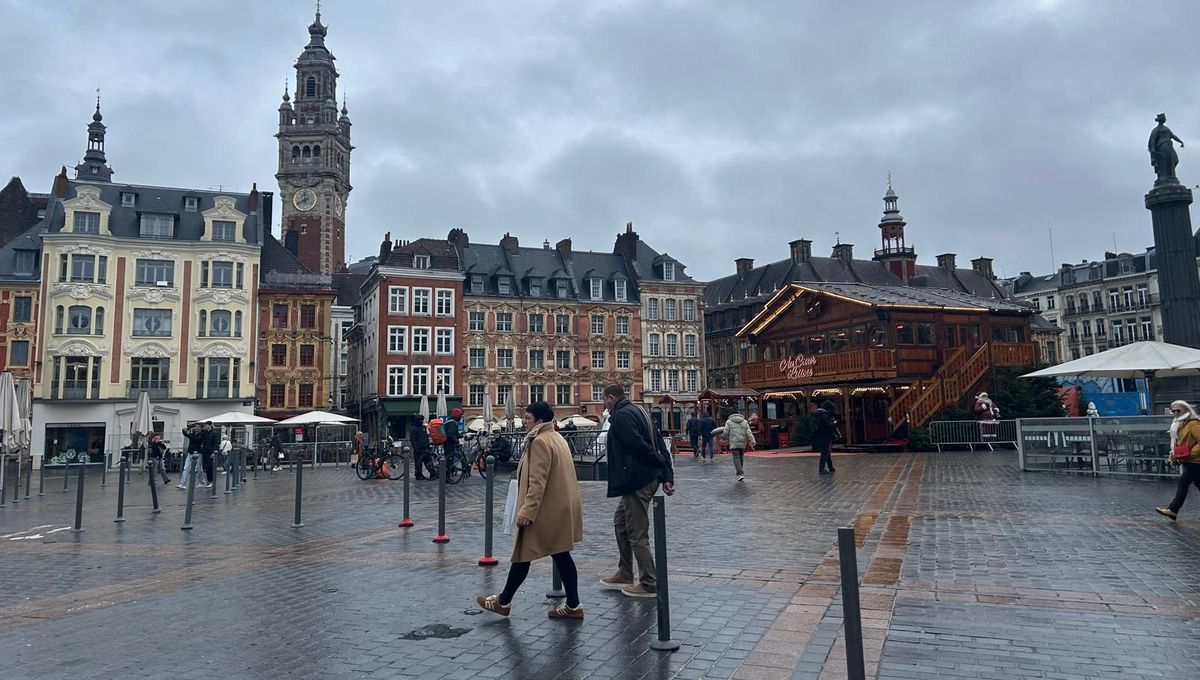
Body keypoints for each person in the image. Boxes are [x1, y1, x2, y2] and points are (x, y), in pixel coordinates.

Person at [476, 401, 584, 619]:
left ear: (539, 421)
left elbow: (537, 481)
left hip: (545, 510)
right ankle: (573, 606)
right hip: (559, 506)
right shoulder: (557, 437)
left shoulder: (540, 442)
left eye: (527, 418)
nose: (524, 422)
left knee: (524, 554)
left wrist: (527, 511)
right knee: (560, 554)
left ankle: (503, 602)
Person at [600, 384, 675, 598]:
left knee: (637, 532)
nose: (604, 404)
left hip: (638, 479)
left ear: (611, 398)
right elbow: (659, 442)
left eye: (604, 399)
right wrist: (667, 474)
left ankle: (649, 582)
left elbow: (639, 445)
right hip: (643, 477)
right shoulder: (639, 410)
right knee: (620, 523)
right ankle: (625, 572)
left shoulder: (621, 417)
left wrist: (661, 466)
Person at [1157, 400, 1200, 520]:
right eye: (1173, 411)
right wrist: (1174, 454)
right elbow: (1177, 442)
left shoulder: (1193, 423)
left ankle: (1173, 509)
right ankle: (1173, 510)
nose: (1175, 413)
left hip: (1195, 460)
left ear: (1185, 410)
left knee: (1183, 483)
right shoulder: (1177, 424)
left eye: (1178, 410)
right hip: (1187, 459)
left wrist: (1190, 453)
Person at [712, 411, 754, 482]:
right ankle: (740, 471)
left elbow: (726, 432)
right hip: (742, 442)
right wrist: (752, 440)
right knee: (741, 457)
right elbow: (748, 432)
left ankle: (740, 473)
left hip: (734, 442)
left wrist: (724, 437)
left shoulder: (729, 422)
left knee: (736, 457)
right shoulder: (745, 422)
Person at [178, 424, 208, 489]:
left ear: (200, 428)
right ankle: (182, 483)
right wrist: (184, 430)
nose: (195, 428)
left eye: (197, 427)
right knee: (186, 468)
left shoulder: (202, 434)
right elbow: (186, 434)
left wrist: (189, 433)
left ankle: (201, 482)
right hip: (190, 452)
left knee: (199, 469)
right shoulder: (192, 434)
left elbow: (196, 440)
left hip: (198, 453)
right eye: (195, 427)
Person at [812, 401, 837, 474]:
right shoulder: (824, 415)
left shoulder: (818, 414)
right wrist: (833, 423)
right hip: (825, 436)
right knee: (825, 451)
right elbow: (828, 425)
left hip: (819, 435)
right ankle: (821, 468)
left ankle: (830, 466)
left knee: (826, 451)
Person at [411, 415, 433, 480]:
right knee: (418, 463)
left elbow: (426, 437)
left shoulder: (423, 427)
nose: (421, 421)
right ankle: (418, 475)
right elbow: (413, 440)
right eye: (420, 420)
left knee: (428, 461)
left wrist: (428, 445)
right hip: (419, 448)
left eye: (422, 420)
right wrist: (415, 448)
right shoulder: (414, 429)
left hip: (425, 447)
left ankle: (432, 473)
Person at [199, 421, 219, 487]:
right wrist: (201, 430)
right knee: (206, 467)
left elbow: (216, 443)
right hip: (205, 452)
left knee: (210, 467)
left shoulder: (214, 433)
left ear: (210, 425)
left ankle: (211, 481)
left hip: (211, 452)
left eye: (206, 425)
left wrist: (214, 452)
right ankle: (208, 480)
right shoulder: (205, 433)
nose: (205, 426)